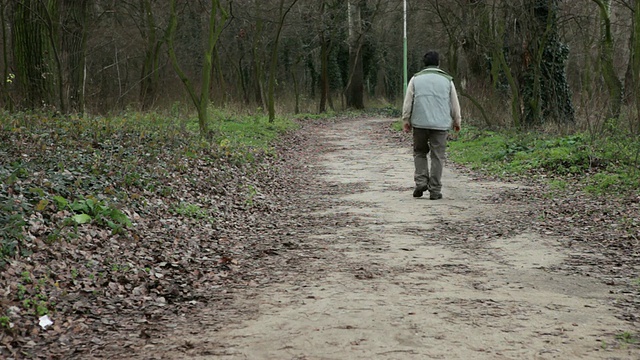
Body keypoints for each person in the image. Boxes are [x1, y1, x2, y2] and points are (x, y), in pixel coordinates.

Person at [402, 50, 461, 200]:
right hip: (441, 125)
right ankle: (435, 190)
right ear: (438, 63)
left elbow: (408, 101)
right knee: (437, 156)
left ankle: (421, 181)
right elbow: (454, 103)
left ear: (424, 63)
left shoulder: (416, 79)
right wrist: (457, 121)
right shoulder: (447, 80)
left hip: (420, 123)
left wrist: (406, 119)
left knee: (420, 152)